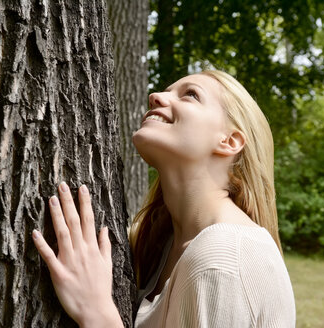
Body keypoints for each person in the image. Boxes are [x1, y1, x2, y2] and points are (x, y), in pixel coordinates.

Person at [32, 70, 296, 327]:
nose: (156, 96)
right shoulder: (159, 243)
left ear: (229, 141)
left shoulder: (223, 257)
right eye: (166, 90)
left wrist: (97, 313)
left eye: (190, 95)